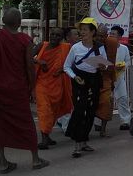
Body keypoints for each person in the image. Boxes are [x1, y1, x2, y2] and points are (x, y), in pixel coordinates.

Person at [0, 8, 49, 173]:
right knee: (26, 123)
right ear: (19, 23)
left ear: (3, 20)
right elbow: (29, 66)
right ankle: (35, 160)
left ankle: (3, 163)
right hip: (17, 89)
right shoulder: (24, 40)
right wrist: (32, 87)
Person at [63, 17, 109, 158]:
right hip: (79, 81)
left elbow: (105, 65)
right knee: (79, 111)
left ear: (92, 32)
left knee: (90, 111)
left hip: (93, 81)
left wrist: (103, 66)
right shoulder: (75, 48)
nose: (81, 33)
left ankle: (84, 141)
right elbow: (66, 66)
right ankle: (77, 144)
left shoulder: (99, 47)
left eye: (84, 30)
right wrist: (74, 77)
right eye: (80, 30)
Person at [33, 27, 72, 150]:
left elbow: (73, 63)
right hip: (41, 84)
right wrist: (40, 61)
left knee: (53, 112)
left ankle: (47, 135)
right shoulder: (42, 46)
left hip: (57, 84)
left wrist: (62, 69)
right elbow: (27, 57)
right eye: (53, 34)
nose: (55, 37)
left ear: (62, 38)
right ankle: (44, 140)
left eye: (58, 35)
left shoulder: (66, 48)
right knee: (44, 110)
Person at [94, 25, 117, 137]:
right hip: (92, 76)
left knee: (107, 102)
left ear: (106, 36)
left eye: (102, 36)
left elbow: (112, 62)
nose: (100, 38)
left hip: (106, 77)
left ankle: (103, 129)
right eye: (98, 36)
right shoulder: (89, 43)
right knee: (91, 103)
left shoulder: (112, 43)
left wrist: (112, 81)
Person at [111, 26, 132, 130]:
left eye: (113, 34)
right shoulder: (105, 47)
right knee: (104, 100)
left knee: (122, 98)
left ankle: (125, 121)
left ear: (119, 36)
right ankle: (99, 122)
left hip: (119, 77)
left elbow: (128, 61)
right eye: (110, 34)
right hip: (107, 77)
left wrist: (122, 65)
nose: (111, 36)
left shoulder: (124, 49)